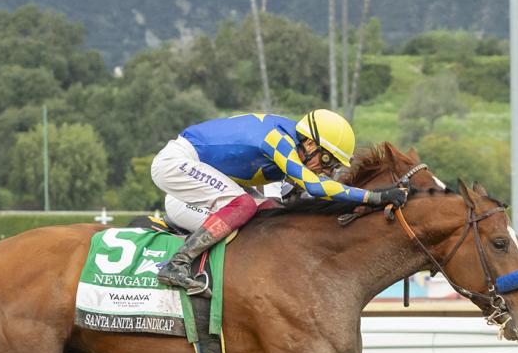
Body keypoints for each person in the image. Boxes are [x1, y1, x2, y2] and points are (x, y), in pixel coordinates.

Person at [151, 109, 408, 294]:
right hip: (176, 163)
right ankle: (177, 264)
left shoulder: (288, 144)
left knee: (269, 212)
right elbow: (315, 187)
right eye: (327, 161)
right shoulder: (278, 141)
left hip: (194, 170)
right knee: (244, 205)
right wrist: (374, 197)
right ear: (309, 143)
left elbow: (288, 201)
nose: (326, 170)